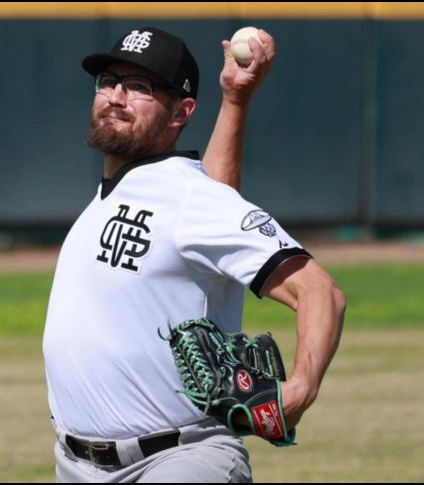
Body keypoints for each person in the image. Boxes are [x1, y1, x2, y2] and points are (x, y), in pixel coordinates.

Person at [42, 26, 346, 483]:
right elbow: (214, 200)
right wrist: (235, 101)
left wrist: (299, 389)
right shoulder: (127, 191)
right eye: (107, 81)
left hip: (179, 461)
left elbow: (320, 291)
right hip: (77, 467)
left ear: (181, 111)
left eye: (140, 87)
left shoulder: (186, 197)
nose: (116, 96)